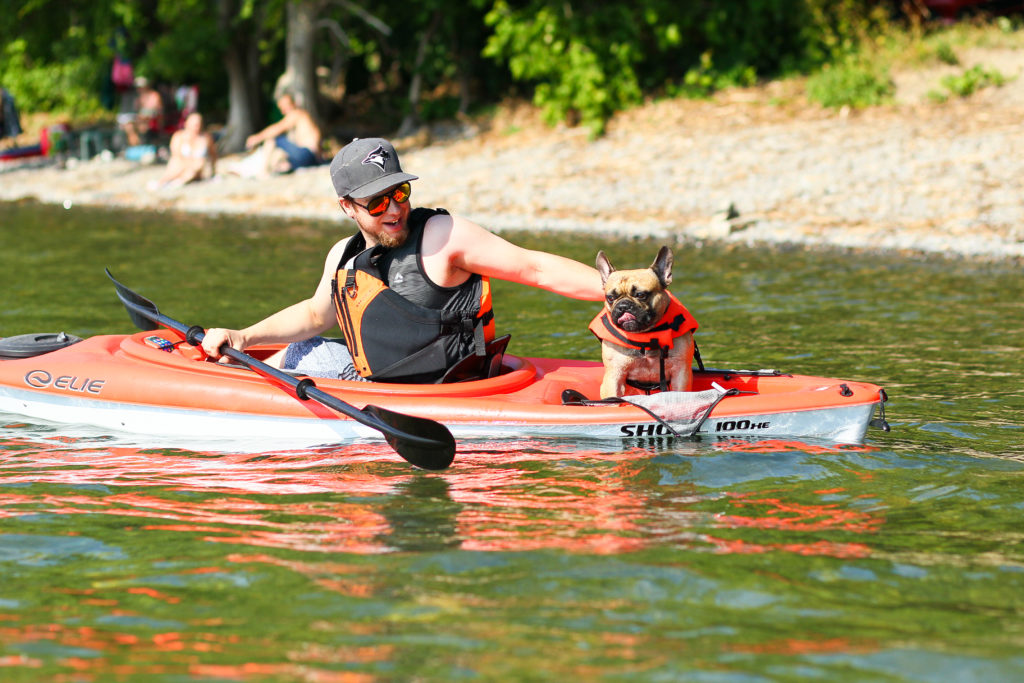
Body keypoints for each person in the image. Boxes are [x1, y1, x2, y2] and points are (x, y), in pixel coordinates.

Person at [201, 137, 605, 383]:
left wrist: (623, 293)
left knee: (297, 354)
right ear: (347, 207)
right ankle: (221, 377)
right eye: (376, 201)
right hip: (370, 379)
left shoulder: (444, 236)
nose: (394, 210)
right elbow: (314, 315)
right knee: (297, 349)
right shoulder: (343, 256)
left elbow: (534, 267)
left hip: (448, 385)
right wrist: (243, 336)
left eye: (399, 193)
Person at [244, 91, 322, 173]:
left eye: (285, 107)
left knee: (273, 138)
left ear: (293, 104)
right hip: (313, 159)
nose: (284, 111)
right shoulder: (304, 117)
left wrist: (256, 138)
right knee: (283, 150)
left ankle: (264, 170)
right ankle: (279, 167)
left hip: (306, 154)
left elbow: (277, 129)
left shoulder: (296, 114)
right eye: (282, 108)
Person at [150, 112, 216, 189]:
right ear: (186, 123)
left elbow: (213, 155)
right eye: (194, 123)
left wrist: (213, 171)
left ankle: (171, 182)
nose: (196, 126)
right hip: (181, 167)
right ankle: (165, 181)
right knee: (177, 163)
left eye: (198, 123)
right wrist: (192, 163)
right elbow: (176, 155)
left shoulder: (206, 138)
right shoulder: (179, 136)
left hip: (197, 171)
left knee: (198, 164)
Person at [120, 76, 163, 146]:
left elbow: (157, 111)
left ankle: (139, 147)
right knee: (129, 126)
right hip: (142, 120)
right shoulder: (139, 98)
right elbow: (137, 111)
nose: (139, 89)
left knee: (140, 125)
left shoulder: (154, 95)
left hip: (153, 121)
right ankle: (136, 148)